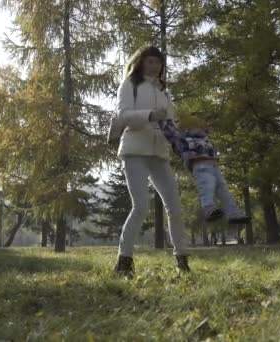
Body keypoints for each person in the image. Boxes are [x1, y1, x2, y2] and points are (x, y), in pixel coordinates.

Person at [107, 46, 189, 278]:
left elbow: (171, 122)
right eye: (150, 61)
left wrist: (180, 143)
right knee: (140, 206)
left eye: (158, 62)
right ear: (140, 62)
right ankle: (124, 260)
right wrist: (150, 115)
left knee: (174, 206)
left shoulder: (164, 91)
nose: (154, 66)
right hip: (134, 150)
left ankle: (182, 260)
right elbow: (123, 115)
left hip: (159, 153)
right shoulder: (129, 86)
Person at [159, 114, 252, 225]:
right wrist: (163, 119)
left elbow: (207, 128)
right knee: (207, 187)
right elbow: (169, 132)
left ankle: (233, 214)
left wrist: (210, 122)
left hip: (214, 165)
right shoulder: (181, 137)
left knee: (224, 190)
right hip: (199, 164)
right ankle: (209, 209)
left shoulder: (204, 137)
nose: (200, 127)